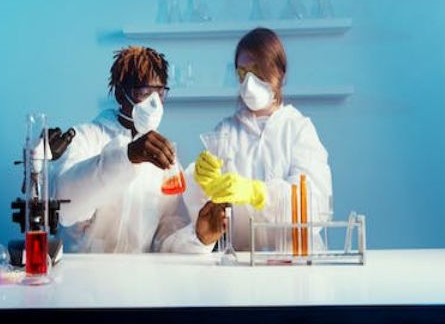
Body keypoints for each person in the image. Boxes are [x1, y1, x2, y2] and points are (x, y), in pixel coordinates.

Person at [185, 28, 333, 252]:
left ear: (280, 73)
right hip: (240, 261)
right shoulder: (225, 131)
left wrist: (258, 193)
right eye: (242, 73)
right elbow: (202, 225)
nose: (248, 82)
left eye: (257, 71)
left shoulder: (299, 129)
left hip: (294, 261)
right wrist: (200, 185)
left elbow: (314, 207)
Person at [52, 46, 210, 253]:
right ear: (120, 94)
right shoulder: (85, 138)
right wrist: (126, 156)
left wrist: (200, 237)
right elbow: (65, 206)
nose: (154, 103)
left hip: (138, 270)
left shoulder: (163, 154)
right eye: (144, 92)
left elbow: (168, 234)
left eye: (160, 93)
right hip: (82, 266)